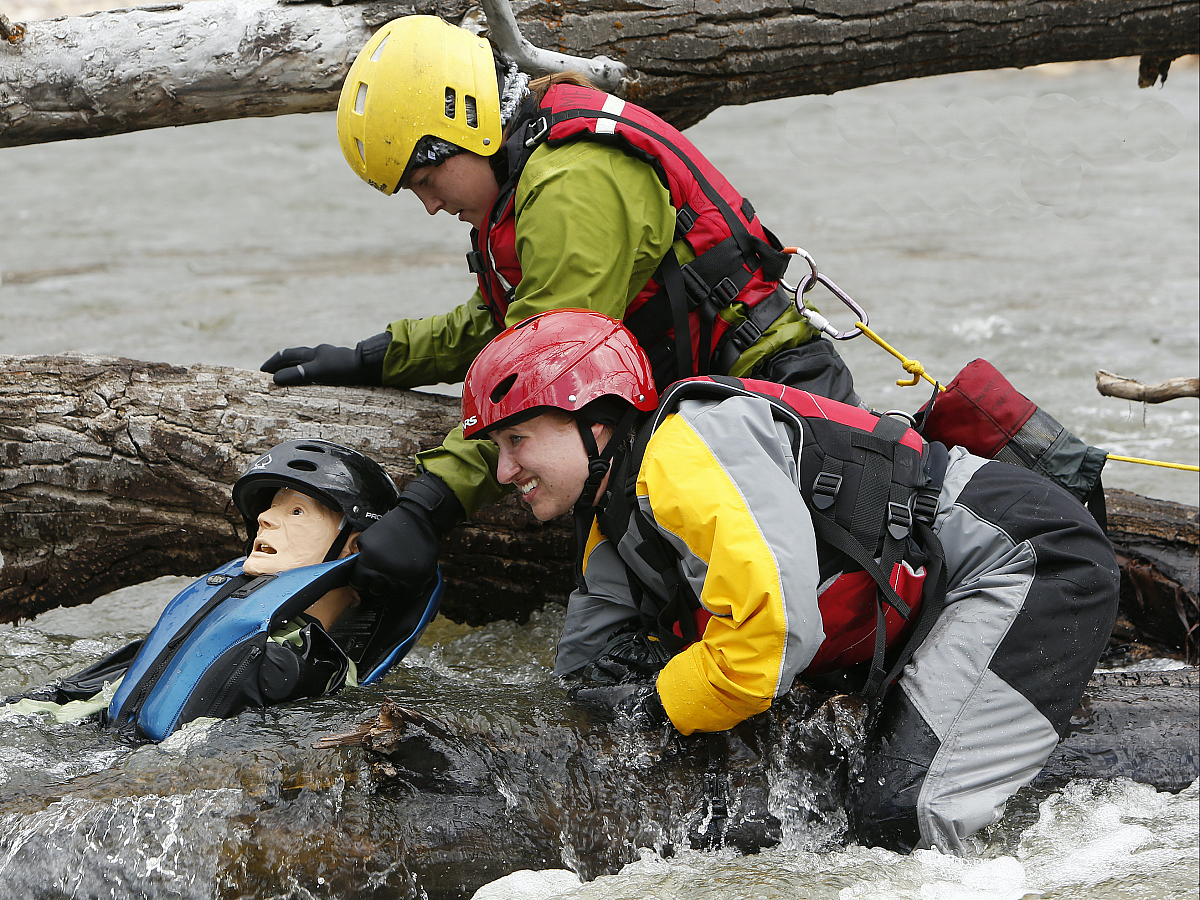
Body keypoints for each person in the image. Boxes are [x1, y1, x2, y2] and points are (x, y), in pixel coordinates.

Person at [456, 308, 1120, 855]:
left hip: (1028, 559)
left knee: (903, 815)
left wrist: (657, 706)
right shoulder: (612, 515)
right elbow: (588, 675)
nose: (505, 472)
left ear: (594, 421)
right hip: (951, 586)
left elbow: (771, 642)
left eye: (517, 441)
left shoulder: (681, 459)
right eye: (498, 451)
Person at [259, 14, 862, 611]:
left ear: (468, 128)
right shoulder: (527, 165)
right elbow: (499, 326)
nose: (431, 205)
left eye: (425, 177)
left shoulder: (574, 179)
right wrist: (371, 359)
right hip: (711, 407)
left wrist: (427, 507)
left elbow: (543, 373)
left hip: (778, 411)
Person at [4, 439, 441, 741]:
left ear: (353, 545)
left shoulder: (308, 665)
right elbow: (93, 690)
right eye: (269, 510)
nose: (267, 520)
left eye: (296, 511)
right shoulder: (212, 622)